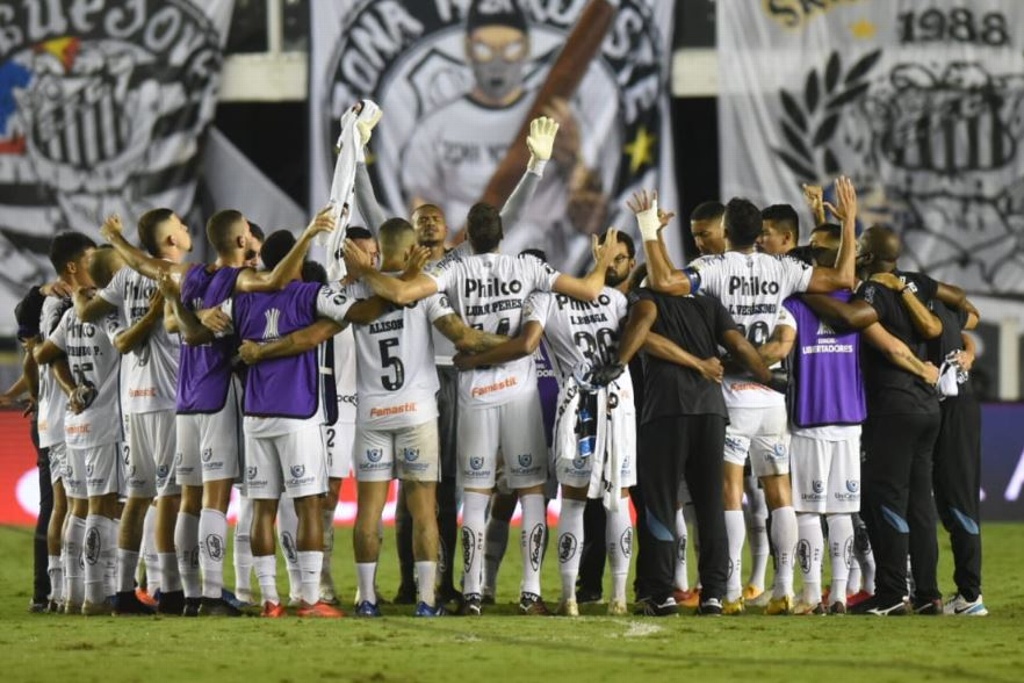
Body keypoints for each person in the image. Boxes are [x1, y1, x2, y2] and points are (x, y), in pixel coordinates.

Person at [343, 203, 620, 615]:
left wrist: (364, 270)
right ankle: (530, 593)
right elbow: (591, 290)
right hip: (519, 393)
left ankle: (472, 593)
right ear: (503, 233)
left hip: (474, 394)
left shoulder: (452, 271)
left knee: (473, 495)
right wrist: (601, 263)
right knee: (530, 495)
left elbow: (400, 293)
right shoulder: (528, 268)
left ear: (466, 238)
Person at [636, 179, 858, 615]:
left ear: (725, 233)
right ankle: (785, 589)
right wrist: (848, 222)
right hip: (772, 396)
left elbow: (663, 280)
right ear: (759, 234)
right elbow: (845, 277)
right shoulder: (782, 268)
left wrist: (649, 230)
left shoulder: (714, 267)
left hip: (730, 394)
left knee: (728, 494)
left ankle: (731, 590)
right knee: (780, 494)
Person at [98, 207, 334, 615]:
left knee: (187, 500)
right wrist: (310, 232)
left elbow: (148, 266)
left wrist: (117, 241)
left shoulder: (191, 274)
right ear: (242, 241)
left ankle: (187, 597)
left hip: (184, 398)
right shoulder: (237, 280)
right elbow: (277, 279)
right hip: (220, 394)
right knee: (214, 503)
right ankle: (209, 595)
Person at [455, 231, 639, 617]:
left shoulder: (544, 301)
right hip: (616, 407)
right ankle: (618, 597)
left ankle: (567, 596)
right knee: (617, 500)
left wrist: (471, 355)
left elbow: (526, 343)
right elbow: (638, 321)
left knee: (570, 503)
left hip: (574, 413)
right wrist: (606, 261)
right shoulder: (618, 299)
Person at [594, 257, 776, 616]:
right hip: (711, 411)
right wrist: (766, 376)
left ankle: (660, 593)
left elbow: (643, 329)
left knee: (660, 503)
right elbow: (740, 346)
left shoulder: (646, 299)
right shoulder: (709, 303)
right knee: (711, 504)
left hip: (666, 410)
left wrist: (619, 362)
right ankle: (713, 593)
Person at [397, 1, 612, 272]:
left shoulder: (560, 122)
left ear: (526, 48)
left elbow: (591, 220)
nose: (498, 62)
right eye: (484, 49)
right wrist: (443, 265)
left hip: (543, 278)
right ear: (467, 49)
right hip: (466, 278)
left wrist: (574, 160)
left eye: (511, 48)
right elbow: (421, 210)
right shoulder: (436, 127)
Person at [72, 208, 187, 615]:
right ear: (167, 240)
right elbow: (117, 336)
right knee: (169, 497)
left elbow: (89, 313)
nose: (187, 229)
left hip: (134, 401)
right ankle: (171, 590)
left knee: (138, 498)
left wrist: (77, 295)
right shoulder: (168, 273)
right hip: (168, 399)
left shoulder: (123, 278)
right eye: (181, 225)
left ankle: (122, 591)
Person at [35, 246, 124, 615]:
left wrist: (71, 388)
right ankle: (95, 595)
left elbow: (44, 354)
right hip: (105, 422)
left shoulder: (72, 313)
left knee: (75, 509)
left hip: (75, 423)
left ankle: (69, 595)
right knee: (103, 510)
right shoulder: (109, 312)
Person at [29, 232, 96, 613]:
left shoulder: (67, 300)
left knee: (70, 504)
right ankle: (61, 589)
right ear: (73, 266)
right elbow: (49, 355)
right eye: (90, 260)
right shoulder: (57, 303)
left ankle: (63, 590)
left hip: (63, 413)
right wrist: (70, 390)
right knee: (67, 504)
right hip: (64, 416)